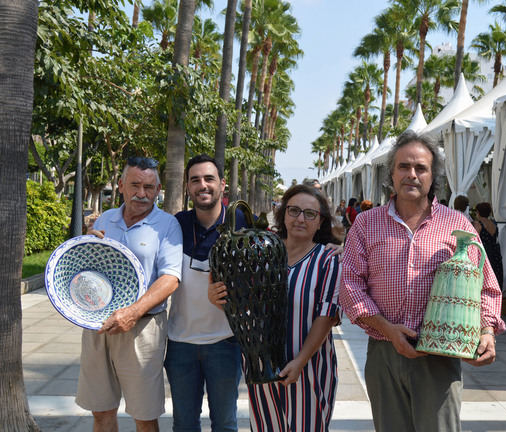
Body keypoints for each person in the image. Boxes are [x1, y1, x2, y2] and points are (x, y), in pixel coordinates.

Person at [340, 130, 505, 431]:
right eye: (403, 166)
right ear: (391, 173)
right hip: (384, 351)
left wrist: (488, 332)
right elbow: (351, 285)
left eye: (421, 168)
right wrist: (388, 330)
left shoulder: (455, 223)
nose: (411, 175)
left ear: (433, 176)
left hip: (440, 355)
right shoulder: (366, 224)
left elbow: (485, 285)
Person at [209, 184, 341, 432]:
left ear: (320, 221)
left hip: (309, 370)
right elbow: (234, 292)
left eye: (310, 214)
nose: (300, 218)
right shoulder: (259, 252)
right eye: (294, 210)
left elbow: (327, 316)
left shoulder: (328, 260)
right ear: (283, 214)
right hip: (261, 366)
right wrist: (214, 293)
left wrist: (300, 362)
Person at [76, 156, 183, 432]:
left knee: (144, 418)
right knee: (100, 412)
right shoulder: (105, 219)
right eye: (135, 185)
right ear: (121, 185)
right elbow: (89, 267)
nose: (142, 194)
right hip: (98, 326)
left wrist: (133, 313)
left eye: (149, 187)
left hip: (143, 327)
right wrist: (86, 243)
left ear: (158, 190)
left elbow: (170, 278)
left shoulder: (168, 225)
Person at [165, 154, 246, 432]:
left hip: (225, 343)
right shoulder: (177, 224)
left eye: (209, 179)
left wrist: (332, 246)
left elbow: (266, 275)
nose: (203, 185)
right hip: (180, 343)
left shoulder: (242, 223)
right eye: (195, 180)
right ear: (188, 187)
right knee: (184, 424)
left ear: (222, 184)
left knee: (225, 424)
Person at [473, 202, 503, 289]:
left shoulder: (478, 224)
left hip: (484, 252)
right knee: (496, 275)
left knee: (484, 278)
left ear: (478, 212)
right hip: (495, 251)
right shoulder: (494, 223)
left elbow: (475, 238)